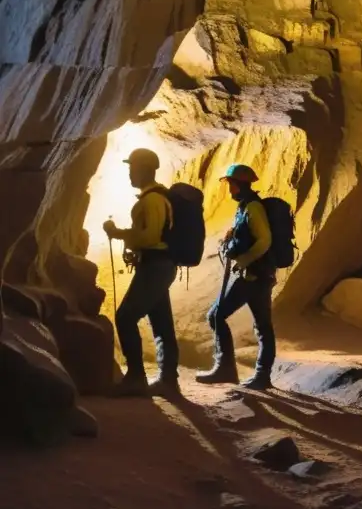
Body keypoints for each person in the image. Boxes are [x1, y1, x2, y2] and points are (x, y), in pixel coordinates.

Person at [103, 148, 181, 398]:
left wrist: (119, 234)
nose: (129, 173)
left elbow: (150, 236)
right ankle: (169, 381)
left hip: (155, 267)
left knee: (125, 317)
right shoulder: (154, 198)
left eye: (132, 168)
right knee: (161, 324)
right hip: (157, 265)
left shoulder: (152, 200)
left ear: (146, 170)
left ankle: (136, 377)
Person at [196, 164, 277, 390]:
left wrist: (244, 260)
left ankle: (226, 368)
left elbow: (265, 240)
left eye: (231, 184)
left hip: (252, 276)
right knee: (263, 326)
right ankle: (262, 376)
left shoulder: (253, 208)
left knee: (216, 315)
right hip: (258, 275)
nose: (229, 188)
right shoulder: (245, 207)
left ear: (240, 184)